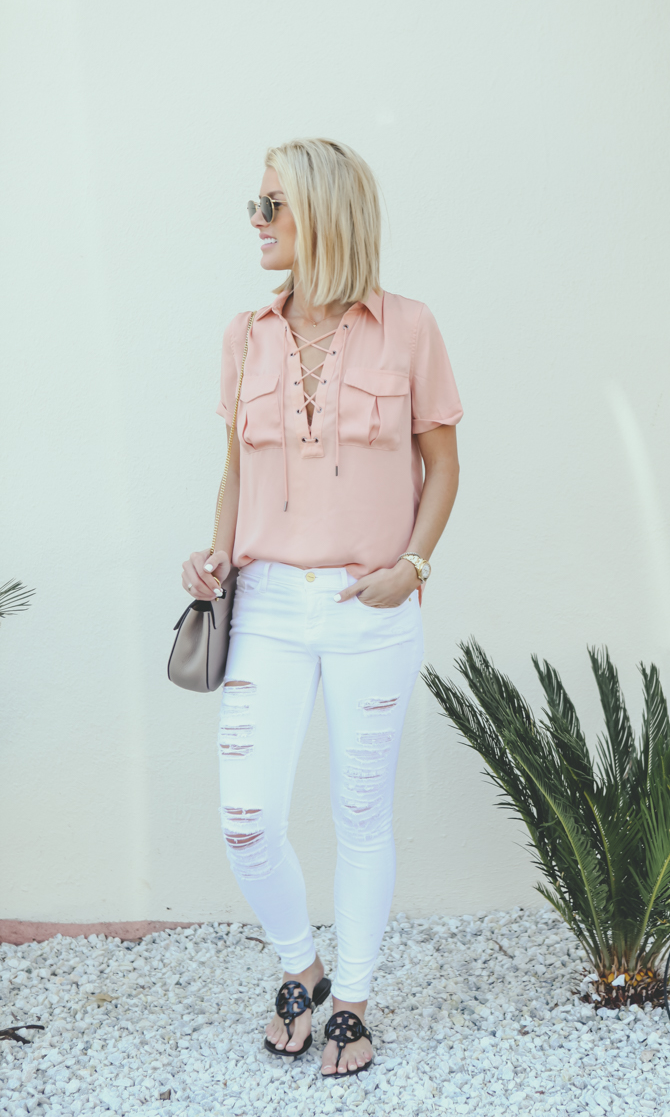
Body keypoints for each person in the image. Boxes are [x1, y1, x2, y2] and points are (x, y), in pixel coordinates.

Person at [181, 137, 462, 1077]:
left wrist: (413, 565)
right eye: (255, 205)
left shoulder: (409, 327)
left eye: (273, 205)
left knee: (359, 813)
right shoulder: (245, 334)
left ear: (324, 214)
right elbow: (235, 472)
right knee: (246, 818)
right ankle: (301, 969)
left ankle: (353, 1002)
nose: (256, 221)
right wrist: (215, 552)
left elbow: (443, 466)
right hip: (265, 604)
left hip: (369, 606)